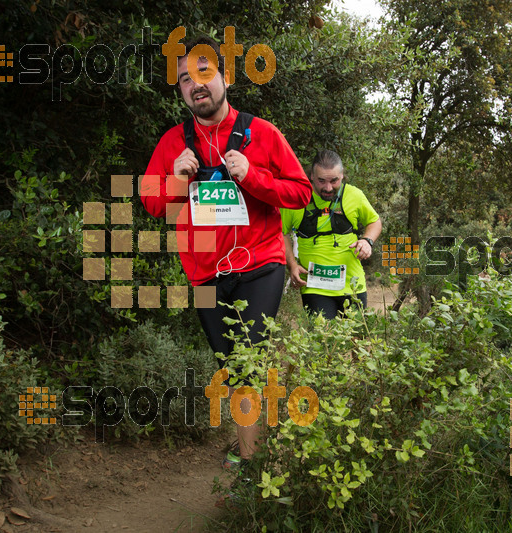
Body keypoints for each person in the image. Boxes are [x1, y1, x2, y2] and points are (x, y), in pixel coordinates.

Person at [140, 36, 311, 470]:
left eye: (203, 73)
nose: (195, 85)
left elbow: (301, 194)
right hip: (204, 274)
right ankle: (253, 440)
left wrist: (252, 176)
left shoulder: (263, 133)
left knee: (248, 358)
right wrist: (177, 179)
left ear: (225, 77)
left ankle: (252, 469)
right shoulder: (171, 143)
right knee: (234, 368)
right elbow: (150, 201)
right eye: (183, 80)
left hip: (261, 262)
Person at [281, 150, 382, 319]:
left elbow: (374, 221)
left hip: (353, 285)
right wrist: (292, 264)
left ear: (342, 176)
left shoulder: (354, 195)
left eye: (334, 181)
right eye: (321, 181)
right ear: (311, 176)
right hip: (314, 286)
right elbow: (282, 232)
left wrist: (367, 241)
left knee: (355, 342)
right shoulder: (297, 198)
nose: (328, 188)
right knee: (324, 340)